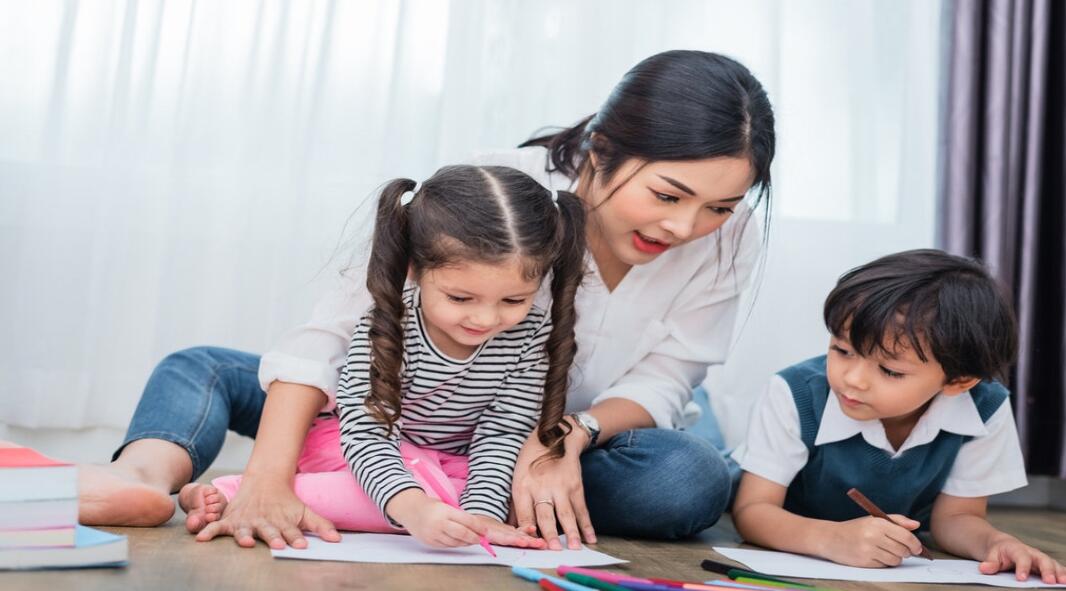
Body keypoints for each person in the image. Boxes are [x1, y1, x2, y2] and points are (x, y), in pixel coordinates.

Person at [79, 49, 776, 550]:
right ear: (600, 149)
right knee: (202, 366)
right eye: (667, 195)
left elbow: (668, 379)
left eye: (718, 205)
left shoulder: (727, 238)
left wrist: (563, 437)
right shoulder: (498, 194)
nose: (685, 228)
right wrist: (267, 478)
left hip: (531, 434)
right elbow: (333, 334)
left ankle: (456, 488)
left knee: (686, 479)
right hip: (391, 400)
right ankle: (141, 475)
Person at [177, 165, 583, 549]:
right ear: (414, 269)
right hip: (357, 447)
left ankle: (421, 503)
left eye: (514, 300)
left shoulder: (533, 335)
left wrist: (481, 520)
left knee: (502, 500)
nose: (486, 318)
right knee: (424, 493)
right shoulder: (389, 322)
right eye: (460, 298)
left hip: (449, 464)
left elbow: (501, 436)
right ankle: (233, 494)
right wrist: (413, 507)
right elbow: (366, 435)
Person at [731, 249, 1066, 584]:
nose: (853, 379)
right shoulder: (794, 393)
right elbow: (752, 511)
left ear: (958, 380)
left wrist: (997, 543)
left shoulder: (984, 407)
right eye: (842, 350)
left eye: (890, 371)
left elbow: (957, 517)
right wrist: (829, 539)